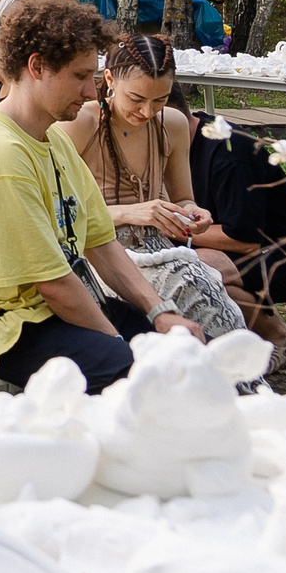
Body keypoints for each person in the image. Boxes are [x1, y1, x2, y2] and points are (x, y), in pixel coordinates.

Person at [0, 0, 202, 393]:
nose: (92, 92)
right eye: (80, 77)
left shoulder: (50, 139)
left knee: (189, 353)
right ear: (36, 67)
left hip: (55, 309)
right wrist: (120, 344)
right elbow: (53, 284)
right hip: (5, 328)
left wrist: (161, 312)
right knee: (141, 377)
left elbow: (101, 241)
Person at [57, 34, 268, 350]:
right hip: (98, 251)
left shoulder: (172, 123)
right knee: (187, 284)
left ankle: (236, 379)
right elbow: (59, 214)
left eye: (159, 100)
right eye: (137, 99)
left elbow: (183, 197)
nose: (146, 111)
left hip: (160, 248)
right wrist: (133, 212)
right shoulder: (81, 123)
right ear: (110, 79)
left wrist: (193, 214)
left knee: (208, 297)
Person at [188, 121, 286, 326]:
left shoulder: (231, 153)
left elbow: (242, 241)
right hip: (240, 248)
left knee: (194, 266)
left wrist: (169, 228)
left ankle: (279, 337)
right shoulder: (170, 143)